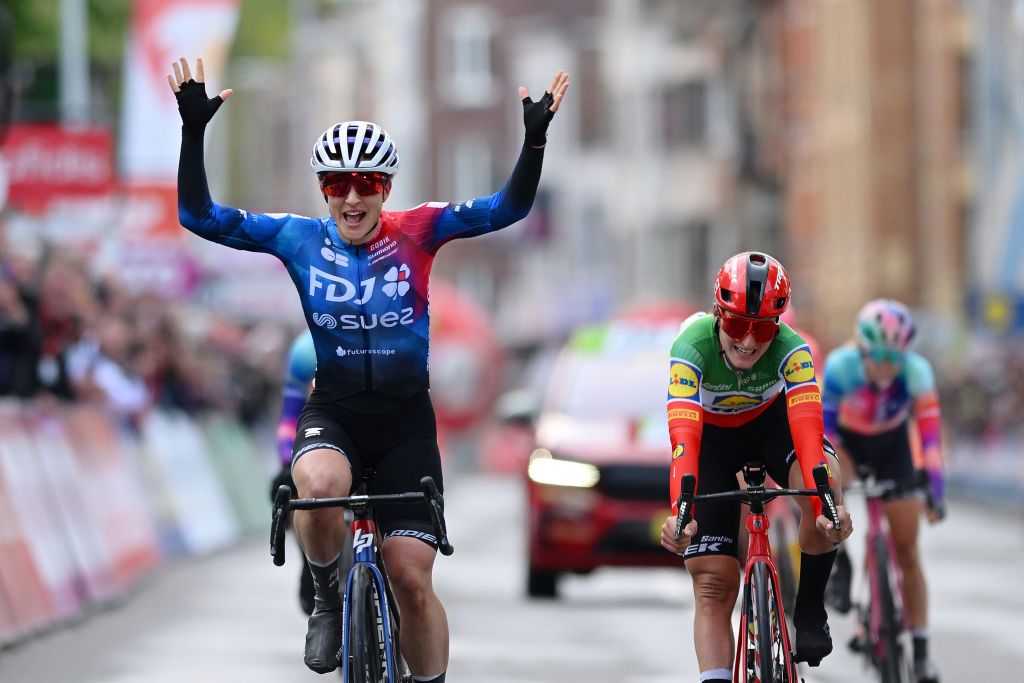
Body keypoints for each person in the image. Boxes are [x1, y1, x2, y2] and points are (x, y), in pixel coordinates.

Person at [168, 56, 568, 679]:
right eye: (335, 184)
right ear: (323, 190)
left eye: (365, 182)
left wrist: (534, 141)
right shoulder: (296, 238)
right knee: (320, 488)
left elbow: (507, 209)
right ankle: (328, 600)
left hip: (406, 421)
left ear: (385, 187)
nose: (351, 196)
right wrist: (193, 135)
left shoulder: (420, 229)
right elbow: (199, 216)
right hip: (338, 410)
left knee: (410, 576)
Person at [659, 251, 853, 683]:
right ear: (717, 313)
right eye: (735, 325)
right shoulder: (690, 347)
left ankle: (809, 609)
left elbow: (807, 436)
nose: (748, 341)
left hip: (772, 429)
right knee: (713, 582)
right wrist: (681, 514)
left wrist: (828, 504)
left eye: (763, 328)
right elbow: (684, 441)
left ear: (779, 324)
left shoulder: (793, 350)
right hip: (709, 441)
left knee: (825, 489)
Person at [821, 298, 945, 683]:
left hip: (892, 448)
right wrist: (828, 493)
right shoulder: (841, 367)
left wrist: (934, 489)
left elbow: (929, 438)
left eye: (896, 357)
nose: (888, 366)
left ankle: (921, 651)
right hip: (850, 445)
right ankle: (840, 559)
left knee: (907, 549)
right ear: (862, 348)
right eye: (879, 357)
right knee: (827, 475)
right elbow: (823, 435)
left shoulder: (917, 371)